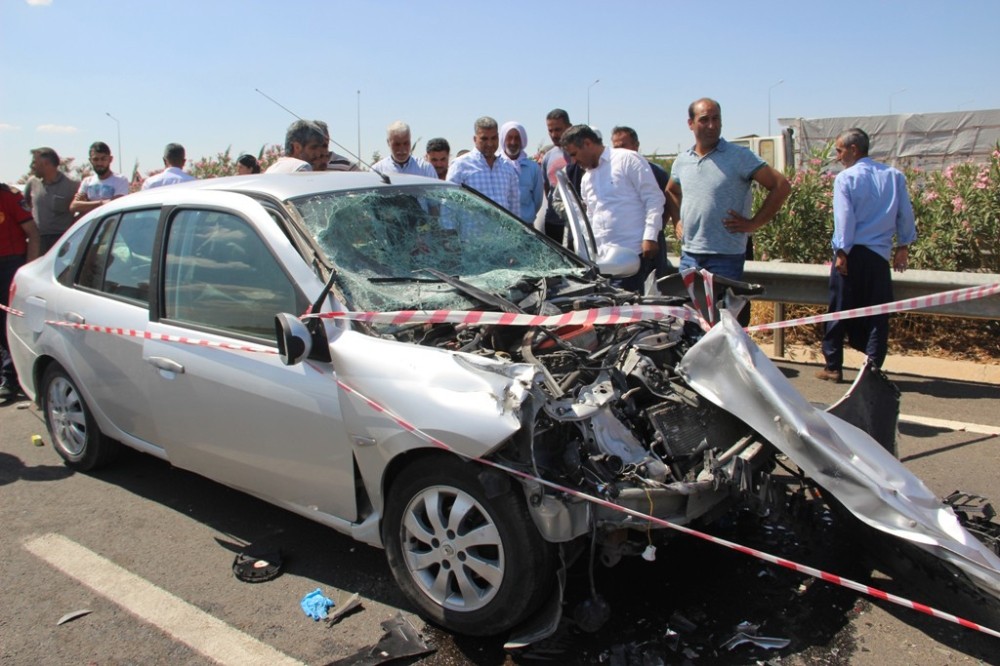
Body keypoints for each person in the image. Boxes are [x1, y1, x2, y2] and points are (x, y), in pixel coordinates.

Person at [665, 98, 790, 322]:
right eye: (704, 120)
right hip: (690, 255)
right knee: (691, 324)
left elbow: (780, 186)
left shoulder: (739, 157)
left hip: (725, 257)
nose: (712, 125)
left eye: (716, 119)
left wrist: (754, 223)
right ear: (691, 124)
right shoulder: (683, 161)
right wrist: (677, 222)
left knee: (722, 327)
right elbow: (672, 191)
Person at [817, 128, 917, 382]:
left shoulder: (846, 178)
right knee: (877, 313)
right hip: (878, 256)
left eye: (839, 150)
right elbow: (905, 214)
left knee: (839, 310)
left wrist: (842, 251)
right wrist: (903, 247)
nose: (838, 157)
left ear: (853, 149)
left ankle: (833, 365)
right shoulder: (894, 176)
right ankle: (872, 366)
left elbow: (845, 218)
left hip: (850, 253)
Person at [560, 125, 665, 293]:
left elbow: (654, 198)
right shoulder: (586, 178)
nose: (573, 161)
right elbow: (591, 216)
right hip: (605, 261)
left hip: (635, 254)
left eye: (574, 154)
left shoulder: (627, 160)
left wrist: (650, 237)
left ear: (587, 143)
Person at [611, 126, 674, 291]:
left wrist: (653, 231)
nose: (620, 151)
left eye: (624, 146)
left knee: (654, 287)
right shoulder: (610, 173)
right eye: (616, 147)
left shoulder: (655, 172)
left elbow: (666, 203)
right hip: (624, 245)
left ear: (636, 145)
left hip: (650, 241)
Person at [0, 183, 41, 400]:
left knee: (8, 322)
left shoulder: (8, 197)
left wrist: (28, 270)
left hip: (9, 265)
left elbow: (32, 233)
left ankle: (11, 378)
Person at [446, 116, 519, 213]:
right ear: (475, 139)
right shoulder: (460, 165)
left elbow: (514, 206)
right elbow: (449, 203)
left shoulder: (507, 167)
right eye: (484, 139)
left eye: (493, 138)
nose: (489, 143)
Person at [24, 147, 79, 254]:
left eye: (34, 162)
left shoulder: (73, 184)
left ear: (46, 163)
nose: (31, 166)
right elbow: (25, 207)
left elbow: (82, 210)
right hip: (38, 241)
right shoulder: (32, 182)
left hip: (62, 242)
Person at [498, 121, 543, 223]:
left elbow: (537, 201)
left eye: (517, 138)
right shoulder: (496, 166)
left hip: (526, 227)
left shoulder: (533, 168)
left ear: (522, 140)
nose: (513, 142)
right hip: (501, 227)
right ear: (503, 140)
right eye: (509, 138)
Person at [540, 108, 573, 243]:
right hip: (553, 223)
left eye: (558, 129)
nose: (554, 134)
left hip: (577, 225)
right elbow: (547, 188)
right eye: (550, 130)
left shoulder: (579, 153)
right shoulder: (548, 157)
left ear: (569, 127)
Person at [70, 141, 130, 215]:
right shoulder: (87, 181)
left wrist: (87, 203)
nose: (99, 163)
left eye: (103, 159)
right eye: (96, 159)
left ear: (110, 159)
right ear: (90, 161)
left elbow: (115, 204)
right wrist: (102, 203)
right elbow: (74, 206)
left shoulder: (120, 180)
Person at [372, 122, 438, 178]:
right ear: (388, 143)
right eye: (397, 144)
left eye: (406, 143)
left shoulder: (425, 169)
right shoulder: (377, 171)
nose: (402, 149)